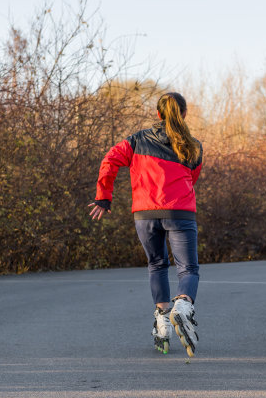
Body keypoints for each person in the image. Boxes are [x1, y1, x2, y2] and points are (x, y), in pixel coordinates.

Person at [88, 92, 202, 357]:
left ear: (159, 114)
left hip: (145, 213)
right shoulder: (194, 145)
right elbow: (192, 178)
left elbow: (110, 160)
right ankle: (183, 306)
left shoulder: (136, 140)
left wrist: (103, 197)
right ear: (184, 113)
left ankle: (162, 323)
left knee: (157, 264)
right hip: (180, 212)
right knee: (188, 268)